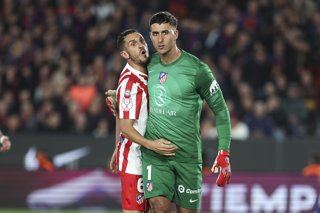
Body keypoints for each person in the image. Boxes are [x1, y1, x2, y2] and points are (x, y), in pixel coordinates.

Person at [140, 11, 232, 212]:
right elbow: (131, 91)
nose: (160, 39)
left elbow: (221, 110)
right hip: (155, 154)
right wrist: (116, 96)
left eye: (165, 32)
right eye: (155, 34)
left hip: (187, 156)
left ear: (176, 34)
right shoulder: (148, 65)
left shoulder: (197, 69)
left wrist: (224, 151)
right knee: (158, 205)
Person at [106, 29, 177, 213]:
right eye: (133, 44)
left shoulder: (148, 72)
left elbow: (119, 114)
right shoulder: (131, 83)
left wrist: (117, 146)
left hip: (148, 158)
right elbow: (126, 127)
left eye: (141, 41)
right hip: (134, 160)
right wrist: (153, 145)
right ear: (124, 54)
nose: (140, 45)